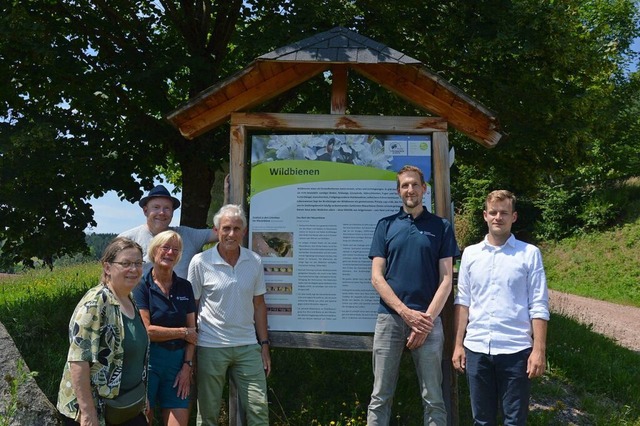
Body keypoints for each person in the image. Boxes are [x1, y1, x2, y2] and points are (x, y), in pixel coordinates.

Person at [367, 165, 459, 425]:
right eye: (405, 185)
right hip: (390, 320)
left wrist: (425, 321)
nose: (410, 189)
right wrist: (406, 313)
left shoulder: (441, 226)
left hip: (428, 321)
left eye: (415, 184)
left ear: (424, 188)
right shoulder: (385, 226)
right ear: (398, 191)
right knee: (380, 396)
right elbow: (376, 277)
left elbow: (446, 280)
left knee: (433, 397)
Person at [452, 190, 550, 426]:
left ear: (513, 217)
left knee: (514, 421)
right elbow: (462, 302)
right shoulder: (470, 254)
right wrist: (457, 345)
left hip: (516, 350)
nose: (498, 217)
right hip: (476, 349)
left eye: (504, 213)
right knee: (482, 420)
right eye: (493, 212)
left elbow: (538, 304)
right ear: (485, 215)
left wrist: (539, 350)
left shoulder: (529, 254)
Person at [187, 204, 271, 425]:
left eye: (236, 228)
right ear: (217, 231)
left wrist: (264, 344)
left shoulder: (254, 261)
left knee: (259, 410)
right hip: (211, 345)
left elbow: (259, 304)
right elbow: (191, 308)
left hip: (247, 345)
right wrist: (191, 350)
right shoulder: (200, 262)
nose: (231, 234)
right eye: (226, 228)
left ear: (244, 231)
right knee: (208, 414)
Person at [57, 237, 149, 426]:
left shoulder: (130, 299)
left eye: (138, 263)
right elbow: (78, 359)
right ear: (107, 267)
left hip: (126, 407)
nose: (134, 269)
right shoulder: (96, 302)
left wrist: (141, 397)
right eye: (125, 263)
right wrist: (88, 413)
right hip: (97, 411)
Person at [132, 231, 197, 426]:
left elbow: (193, 332)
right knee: (144, 419)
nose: (170, 253)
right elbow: (148, 331)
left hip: (178, 364)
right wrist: (183, 332)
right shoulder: (141, 286)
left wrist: (187, 366)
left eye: (175, 250)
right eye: (165, 248)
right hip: (149, 362)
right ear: (154, 251)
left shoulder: (185, 286)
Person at [119, 184, 217, 279]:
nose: (162, 212)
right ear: (145, 211)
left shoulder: (188, 235)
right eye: (156, 207)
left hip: (182, 295)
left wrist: (228, 196)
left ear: (172, 212)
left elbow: (222, 233)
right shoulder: (128, 240)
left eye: (167, 208)